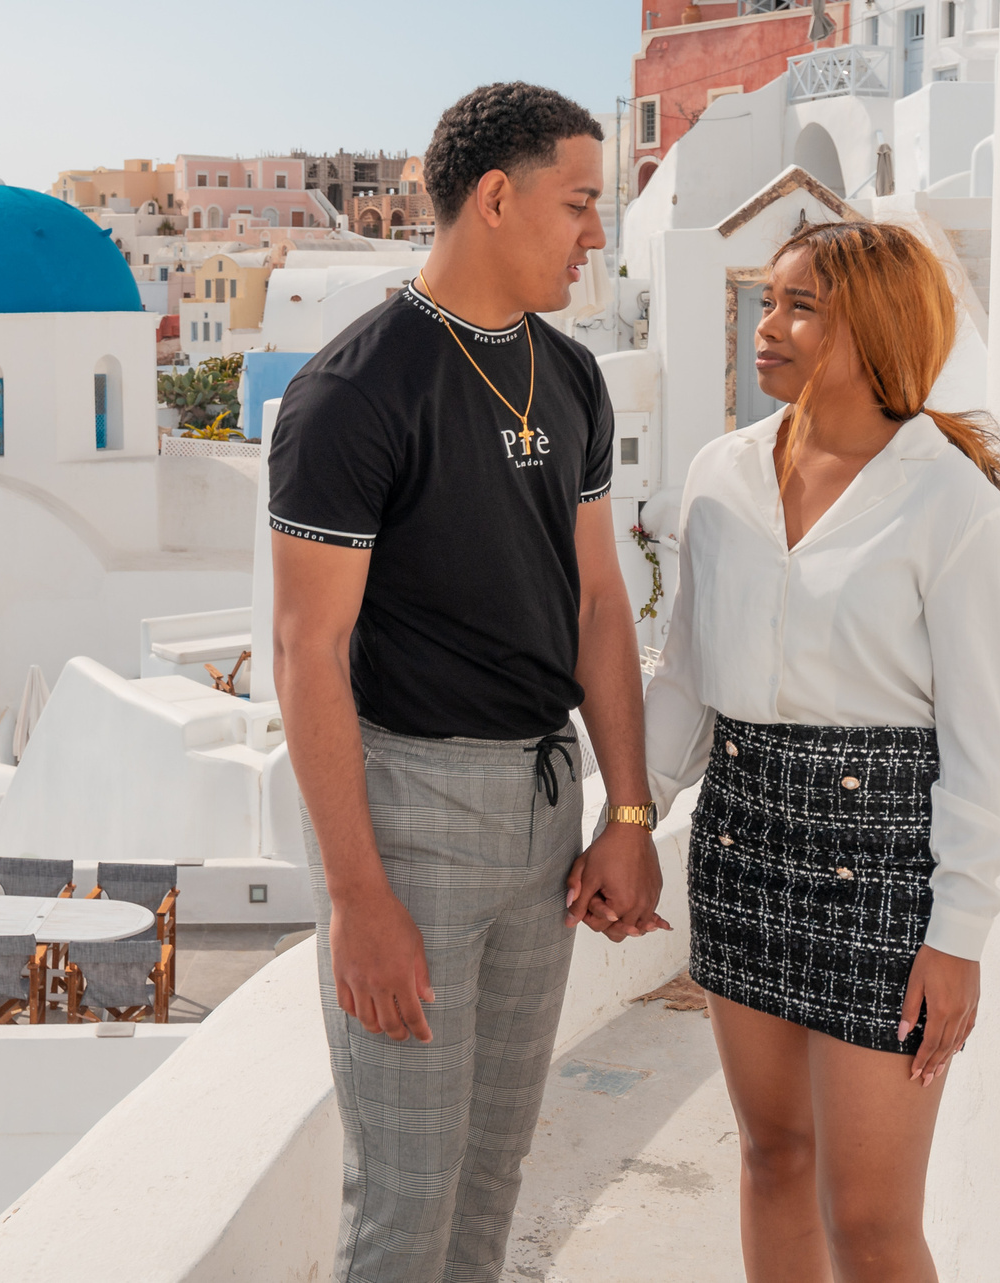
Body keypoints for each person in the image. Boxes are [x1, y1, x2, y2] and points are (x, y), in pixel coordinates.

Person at [269, 81, 669, 1283]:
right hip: (413, 822)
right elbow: (307, 656)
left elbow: (600, 603)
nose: (597, 232)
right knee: (402, 1206)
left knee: (492, 1178)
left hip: (545, 812)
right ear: (496, 198)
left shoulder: (573, 375)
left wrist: (628, 813)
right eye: (580, 203)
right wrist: (357, 895)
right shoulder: (353, 391)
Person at [643, 219, 1000, 1283]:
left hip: (883, 859)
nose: (766, 326)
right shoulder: (721, 475)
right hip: (743, 832)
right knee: (772, 1160)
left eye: (800, 306)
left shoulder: (950, 499)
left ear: (878, 329)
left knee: (868, 1220)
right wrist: (623, 818)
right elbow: (685, 682)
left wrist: (959, 936)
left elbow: (981, 738)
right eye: (768, 300)